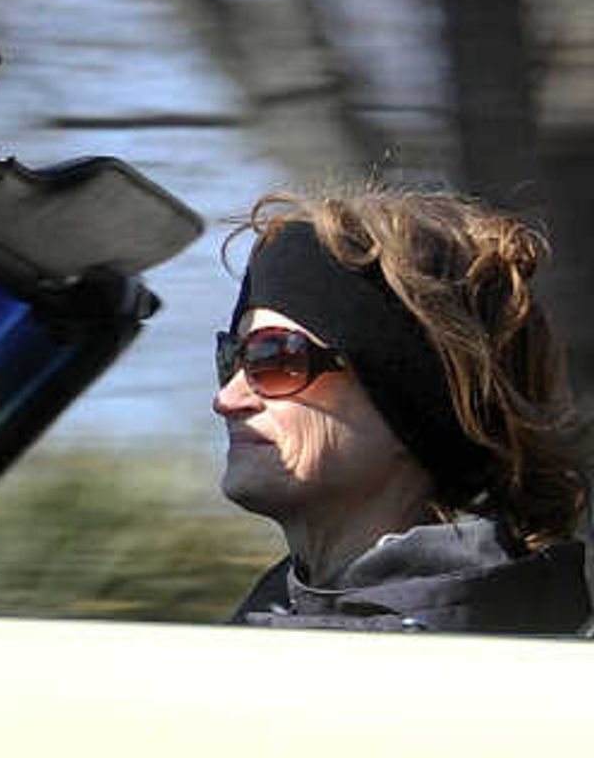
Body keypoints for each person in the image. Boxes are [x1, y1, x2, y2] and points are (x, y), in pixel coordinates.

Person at [213, 187, 589, 634]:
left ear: (412, 402)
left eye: (272, 358)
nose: (226, 399)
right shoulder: (253, 638)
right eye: (231, 359)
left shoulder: (485, 667)